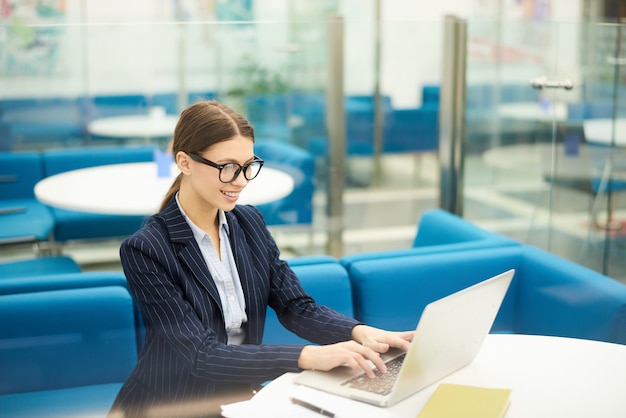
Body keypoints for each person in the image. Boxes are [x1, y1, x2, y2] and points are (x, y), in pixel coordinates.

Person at [108, 100, 414, 417]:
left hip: (242, 399)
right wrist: (307, 357)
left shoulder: (249, 223)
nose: (240, 181)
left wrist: (358, 332)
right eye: (227, 168)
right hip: (173, 405)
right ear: (185, 162)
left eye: (247, 166)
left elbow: (296, 307)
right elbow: (201, 355)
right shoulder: (146, 249)